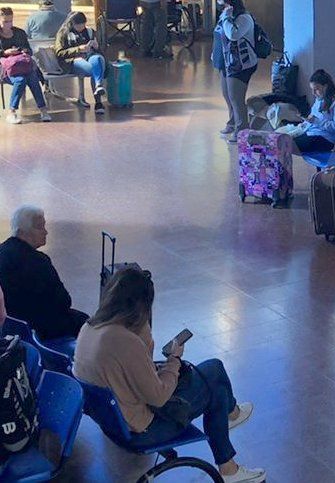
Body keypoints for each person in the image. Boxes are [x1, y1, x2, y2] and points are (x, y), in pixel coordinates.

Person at [72, 268, 266, 483]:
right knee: (214, 372)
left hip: (113, 423)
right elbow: (158, 396)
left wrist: (144, 339)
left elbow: (136, 370)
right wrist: (174, 359)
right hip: (144, 430)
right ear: (142, 305)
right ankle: (230, 422)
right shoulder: (124, 340)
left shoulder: (89, 328)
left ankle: (230, 445)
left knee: (216, 388)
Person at [0, 206, 88, 340]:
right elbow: (64, 301)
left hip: (11, 326)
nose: (46, 232)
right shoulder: (39, 262)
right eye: (40, 227)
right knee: (88, 323)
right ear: (23, 232)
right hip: (40, 328)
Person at [212, 0, 255, 141]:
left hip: (240, 64)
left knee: (236, 98)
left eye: (220, 1)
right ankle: (232, 121)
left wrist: (226, 18)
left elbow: (233, 35)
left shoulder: (244, 18)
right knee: (227, 94)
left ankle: (242, 129)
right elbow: (218, 35)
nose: (218, 4)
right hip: (225, 62)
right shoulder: (224, 17)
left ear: (229, 3)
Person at [1, 7, 50, 124]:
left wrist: (23, 51)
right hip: (4, 67)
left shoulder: (19, 33)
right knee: (20, 80)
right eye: (5, 22)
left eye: (10, 21)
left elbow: (29, 50)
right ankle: (12, 112)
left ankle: (43, 109)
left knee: (33, 78)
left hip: (22, 65)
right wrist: (5, 52)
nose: (8, 24)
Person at [53, 11, 107, 115]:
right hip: (73, 61)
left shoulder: (90, 32)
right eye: (78, 25)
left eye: (83, 24)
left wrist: (97, 47)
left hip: (90, 56)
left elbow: (101, 51)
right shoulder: (63, 34)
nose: (81, 27)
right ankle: (98, 101)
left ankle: (98, 86)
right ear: (71, 24)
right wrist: (78, 49)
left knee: (98, 59)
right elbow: (59, 53)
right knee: (95, 69)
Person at [293, 69, 335, 154]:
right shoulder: (319, 99)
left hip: (325, 139)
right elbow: (313, 119)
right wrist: (305, 123)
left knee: (287, 144)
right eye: (312, 89)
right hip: (312, 133)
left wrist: (316, 121)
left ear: (325, 87)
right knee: (284, 140)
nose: (313, 93)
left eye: (316, 89)